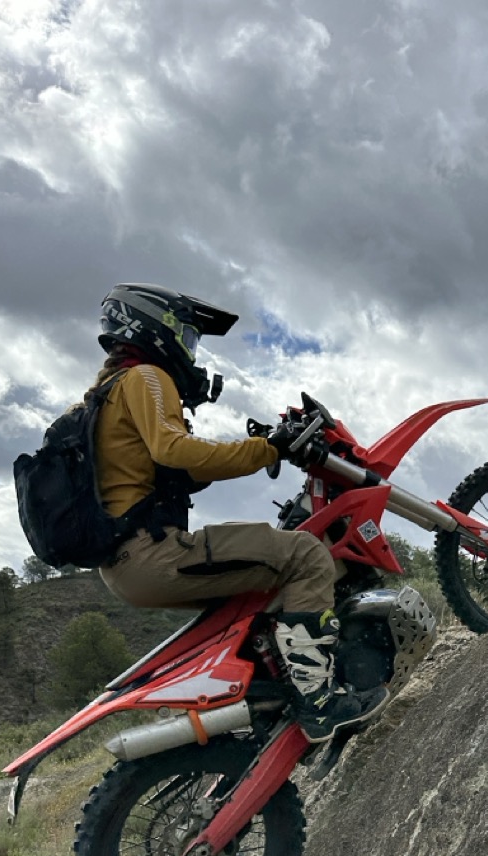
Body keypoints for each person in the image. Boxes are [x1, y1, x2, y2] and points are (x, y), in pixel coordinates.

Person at [91, 283, 387, 743]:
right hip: (154, 553)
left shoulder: (103, 395)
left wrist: (251, 452)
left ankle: (276, 688)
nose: (190, 350)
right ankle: (319, 703)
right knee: (306, 555)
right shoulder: (145, 377)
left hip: (126, 563)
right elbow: (176, 451)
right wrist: (267, 448)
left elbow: (176, 471)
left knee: (265, 569)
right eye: (187, 337)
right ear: (153, 327)